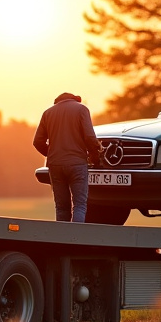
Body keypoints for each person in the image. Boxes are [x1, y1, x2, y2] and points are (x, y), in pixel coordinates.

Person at [33, 92, 101, 223]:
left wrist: (52, 154)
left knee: (61, 207)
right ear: (75, 99)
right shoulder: (81, 109)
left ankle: (62, 240)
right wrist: (95, 156)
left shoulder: (48, 113)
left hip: (55, 165)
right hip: (77, 163)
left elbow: (37, 142)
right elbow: (90, 138)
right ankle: (76, 239)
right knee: (79, 205)